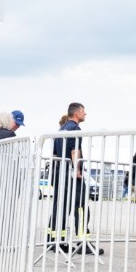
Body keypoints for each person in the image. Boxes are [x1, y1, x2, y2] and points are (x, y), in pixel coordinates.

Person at [49, 102, 99, 255]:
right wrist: (77, 171)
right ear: (76, 113)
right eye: (83, 111)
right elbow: (74, 152)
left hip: (59, 173)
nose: (85, 114)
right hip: (70, 173)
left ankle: (55, 241)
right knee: (81, 206)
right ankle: (83, 243)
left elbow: (56, 154)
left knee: (60, 207)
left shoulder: (61, 129)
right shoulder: (75, 129)